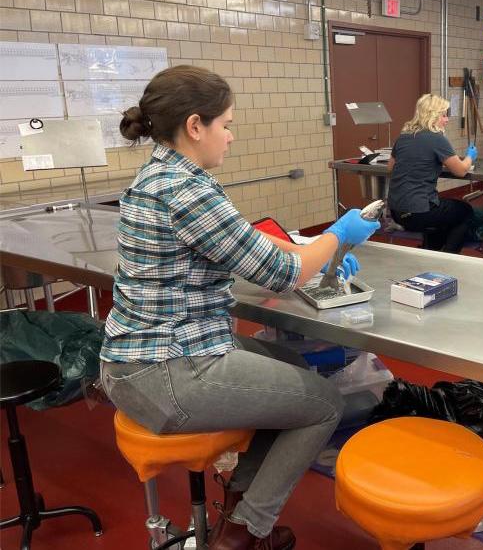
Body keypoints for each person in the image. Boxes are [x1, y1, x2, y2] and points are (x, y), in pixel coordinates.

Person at [99, 65, 380, 549]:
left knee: (290, 367)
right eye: (225, 125)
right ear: (194, 126)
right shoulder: (186, 191)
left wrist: (322, 249)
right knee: (323, 404)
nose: (229, 137)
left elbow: (254, 247)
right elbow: (282, 274)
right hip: (168, 372)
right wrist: (337, 234)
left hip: (147, 360)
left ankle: (239, 503)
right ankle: (244, 534)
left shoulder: (163, 174)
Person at [387, 93, 476, 253]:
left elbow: (390, 168)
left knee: (441, 212)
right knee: (465, 211)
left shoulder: (403, 137)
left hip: (396, 211)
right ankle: (449, 257)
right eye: (443, 115)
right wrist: (470, 156)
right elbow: (461, 170)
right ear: (432, 116)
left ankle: (432, 252)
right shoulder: (436, 139)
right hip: (418, 212)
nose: (447, 119)